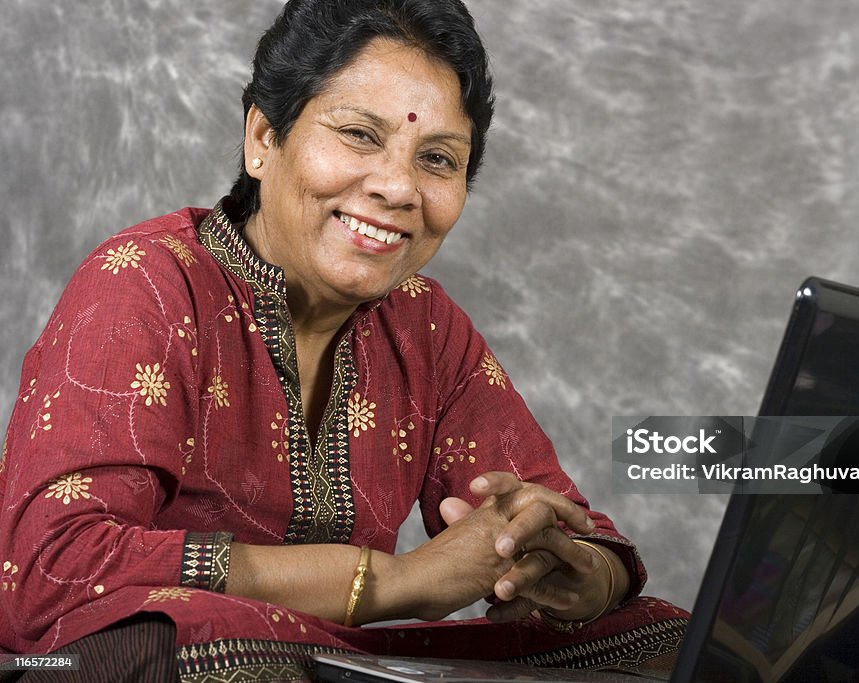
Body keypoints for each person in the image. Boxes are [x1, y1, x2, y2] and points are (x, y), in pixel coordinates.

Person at [0, 0, 688, 680]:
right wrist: (394, 584)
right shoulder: (146, 285)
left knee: (666, 639)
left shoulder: (423, 326)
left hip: (331, 658)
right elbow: (52, 566)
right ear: (264, 139)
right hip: (130, 659)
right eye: (360, 134)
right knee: (201, 643)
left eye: (439, 159)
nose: (397, 187)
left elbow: (557, 514)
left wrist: (572, 569)